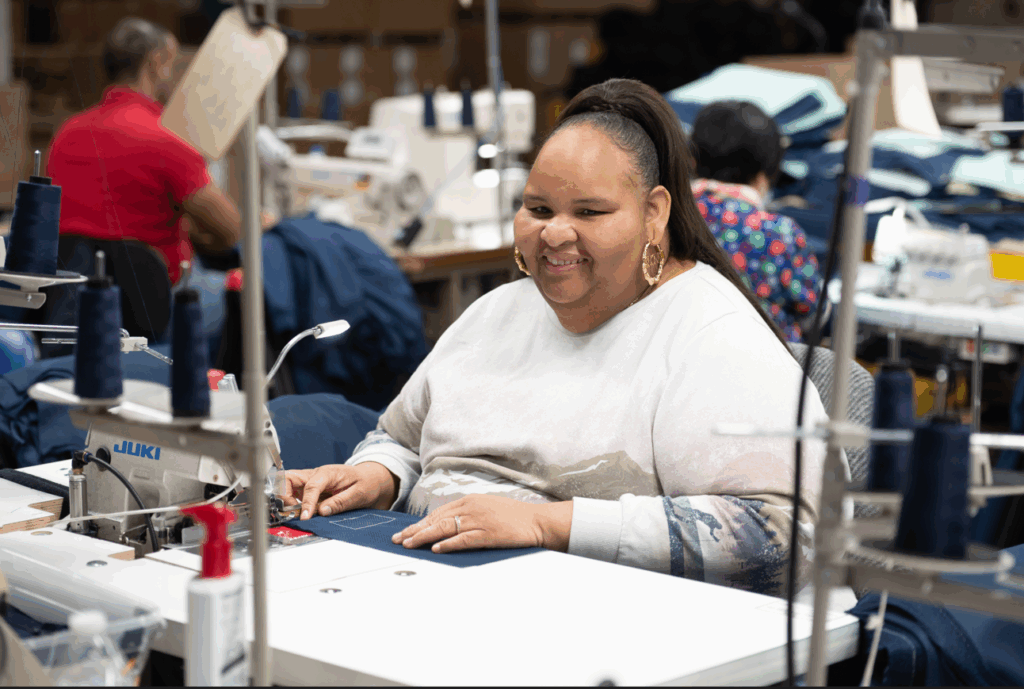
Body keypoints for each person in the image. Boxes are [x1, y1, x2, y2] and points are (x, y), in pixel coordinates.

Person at [284, 79, 840, 597]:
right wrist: (373, 477)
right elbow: (402, 439)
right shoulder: (496, 313)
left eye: (589, 212)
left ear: (654, 213)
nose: (553, 232)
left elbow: (781, 535)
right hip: (428, 576)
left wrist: (548, 524)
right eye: (538, 209)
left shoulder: (713, 337)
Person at [46, 17, 242, 287]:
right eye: (173, 65)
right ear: (155, 63)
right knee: (245, 293)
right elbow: (230, 231)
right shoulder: (168, 141)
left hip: (77, 304)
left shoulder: (66, 135)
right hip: (159, 305)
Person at [690, 100, 824, 343]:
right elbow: (813, 312)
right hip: (766, 367)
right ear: (765, 175)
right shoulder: (778, 233)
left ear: (692, 160)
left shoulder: (664, 216)